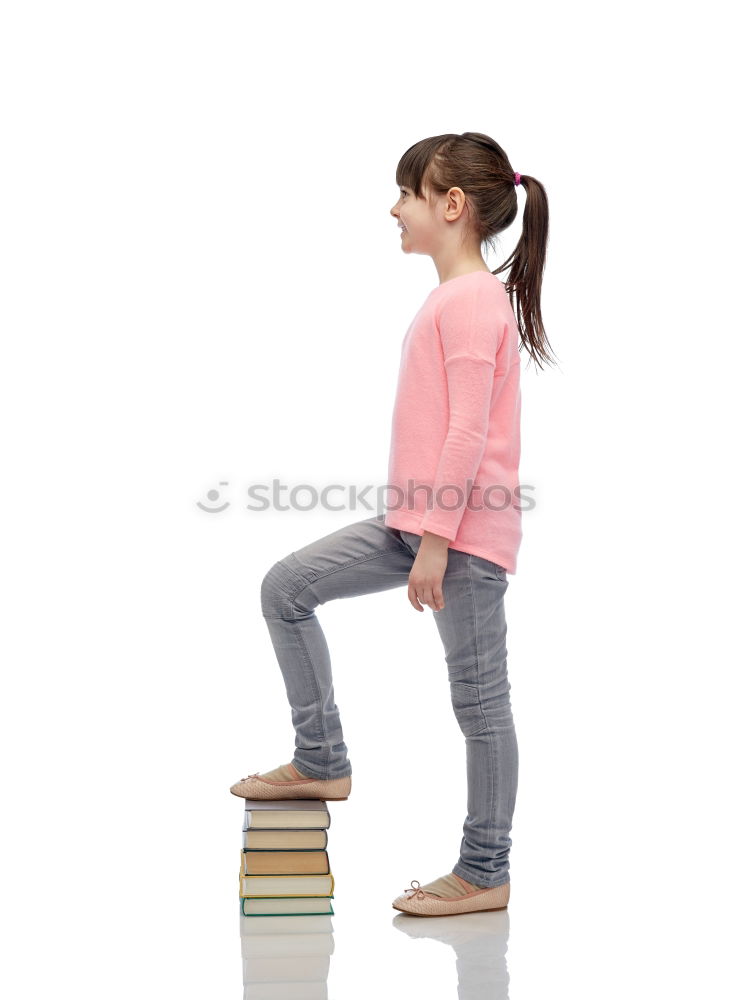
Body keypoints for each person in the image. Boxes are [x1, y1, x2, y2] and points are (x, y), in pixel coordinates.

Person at [230, 131, 556, 916]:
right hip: (412, 525)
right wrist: (419, 533)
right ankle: (322, 757)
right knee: (287, 587)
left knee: (479, 704)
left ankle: (485, 870)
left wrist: (438, 544)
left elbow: (467, 436)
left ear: (452, 206)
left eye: (406, 194)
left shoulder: (476, 301)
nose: (394, 208)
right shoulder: (454, 297)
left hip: (461, 540)